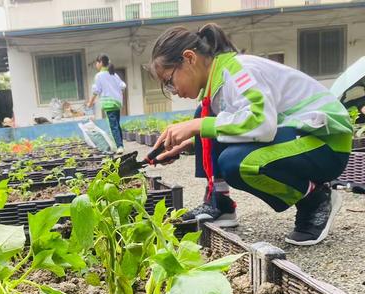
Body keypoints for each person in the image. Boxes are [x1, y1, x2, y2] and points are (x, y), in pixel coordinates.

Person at [150, 24, 352, 246]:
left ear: (189, 58)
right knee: (204, 116)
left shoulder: (238, 71)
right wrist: (191, 143)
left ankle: (316, 199)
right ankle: (220, 202)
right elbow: (232, 122)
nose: (174, 90)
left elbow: (262, 124)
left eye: (169, 81)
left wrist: (199, 126)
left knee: (236, 162)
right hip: (300, 135)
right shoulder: (218, 82)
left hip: (326, 143)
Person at [87, 54, 126, 155]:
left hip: (109, 104)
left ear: (100, 62)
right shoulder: (114, 74)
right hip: (117, 102)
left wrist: (90, 102)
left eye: (96, 62)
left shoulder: (99, 76)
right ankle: (120, 144)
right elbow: (123, 86)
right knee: (117, 124)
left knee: (113, 125)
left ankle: (119, 146)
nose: (96, 65)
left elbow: (96, 91)